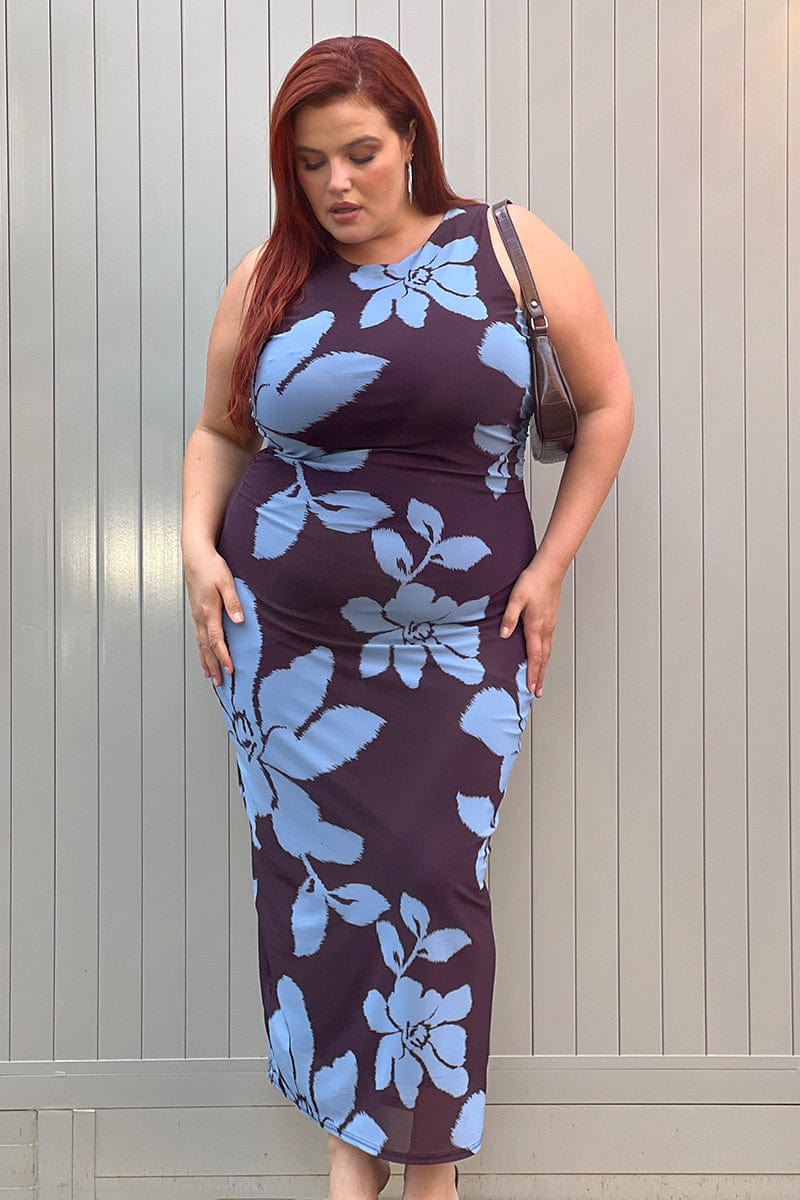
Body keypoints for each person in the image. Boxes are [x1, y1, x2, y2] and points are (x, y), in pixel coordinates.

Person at [181, 34, 633, 1200]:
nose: (335, 184)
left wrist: (552, 566)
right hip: (284, 653)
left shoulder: (503, 247)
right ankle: (351, 1156)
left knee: (432, 884)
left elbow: (605, 404)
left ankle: (425, 1170)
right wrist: (195, 548)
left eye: (359, 153)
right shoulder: (270, 275)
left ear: (411, 139)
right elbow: (222, 431)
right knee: (318, 890)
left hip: (458, 644)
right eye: (309, 164)